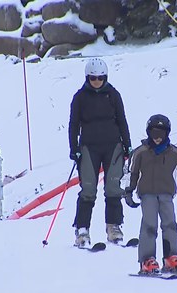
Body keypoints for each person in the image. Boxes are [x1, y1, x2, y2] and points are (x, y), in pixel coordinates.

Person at [124, 114, 177, 274]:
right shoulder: (140, 152)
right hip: (147, 194)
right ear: (148, 133)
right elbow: (132, 173)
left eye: (161, 134)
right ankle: (147, 260)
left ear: (167, 134)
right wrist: (128, 191)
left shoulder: (174, 153)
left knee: (170, 225)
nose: (157, 138)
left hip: (166, 194)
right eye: (154, 134)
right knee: (149, 226)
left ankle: (171, 257)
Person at [68, 57, 132, 247]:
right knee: (88, 189)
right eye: (93, 78)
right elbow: (73, 125)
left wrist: (127, 144)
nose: (97, 82)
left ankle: (113, 227)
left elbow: (122, 120)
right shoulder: (80, 97)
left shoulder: (113, 95)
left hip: (113, 146)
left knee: (113, 188)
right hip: (89, 147)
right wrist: (74, 148)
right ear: (87, 78)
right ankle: (82, 230)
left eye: (100, 78)